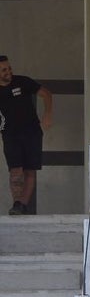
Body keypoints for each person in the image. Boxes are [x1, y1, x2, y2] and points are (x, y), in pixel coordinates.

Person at [0, 55, 53, 215]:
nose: (8, 72)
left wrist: (47, 115)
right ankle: (16, 203)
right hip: (10, 134)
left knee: (30, 170)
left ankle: (21, 205)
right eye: (4, 70)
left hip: (31, 132)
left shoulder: (22, 82)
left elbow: (46, 94)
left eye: (9, 68)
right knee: (15, 170)